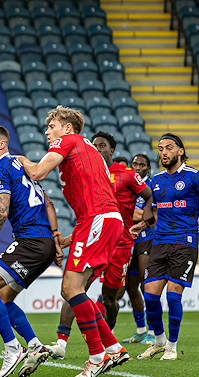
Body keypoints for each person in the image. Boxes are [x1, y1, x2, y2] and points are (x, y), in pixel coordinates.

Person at [16, 106, 129, 377]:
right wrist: (67, 240)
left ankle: (97, 355)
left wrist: (18, 159)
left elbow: (38, 172)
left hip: (97, 219)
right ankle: (113, 348)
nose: (47, 132)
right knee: (72, 290)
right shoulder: (86, 150)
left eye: (52, 126)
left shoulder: (68, 140)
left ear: (67, 128)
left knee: (71, 287)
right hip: (97, 221)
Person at [0, 125, 63, 377]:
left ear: (2, 145)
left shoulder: (0, 168)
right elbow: (49, 203)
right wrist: (54, 237)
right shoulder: (24, 166)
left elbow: (0, 213)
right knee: (3, 297)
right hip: (44, 243)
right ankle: (34, 345)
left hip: (30, 241)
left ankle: (12, 348)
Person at [44, 132, 153, 360]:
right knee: (74, 288)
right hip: (96, 236)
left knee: (109, 298)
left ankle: (110, 340)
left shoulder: (126, 174)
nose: (96, 149)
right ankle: (62, 342)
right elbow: (90, 214)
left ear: (112, 151)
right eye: (93, 145)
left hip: (121, 244)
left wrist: (144, 222)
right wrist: (70, 239)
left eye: (102, 146)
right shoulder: (89, 173)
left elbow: (149, 195)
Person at [135, 133, 199, 361]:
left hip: (184, 243)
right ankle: (158, 341)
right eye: (160, 149)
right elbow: (156, 211)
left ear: (180, 151)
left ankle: (171, 346)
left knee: (174, 296)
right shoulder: (156, 181)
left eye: (169, 148)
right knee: (149, 297)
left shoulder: (193, 176)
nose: (164, 152)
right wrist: (140, 226)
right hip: (159, 242)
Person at [122, 154, 156, 344]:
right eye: (134, 164)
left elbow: (147, 215)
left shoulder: (150, 188)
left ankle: (153, 331)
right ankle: (141, 330)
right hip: (128, 240)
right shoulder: (128, 184)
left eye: (142, 165)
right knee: (130, 286)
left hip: (146, 239)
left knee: (146, 283)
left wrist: (134, 214)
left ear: (147, 168)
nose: (137, 167)